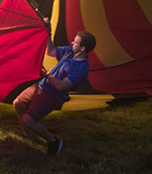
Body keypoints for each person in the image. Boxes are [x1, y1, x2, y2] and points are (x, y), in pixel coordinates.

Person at [13, 19, 96, 156]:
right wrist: (48, 32)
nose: (71, 43)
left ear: (82, 48)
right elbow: (50, 51)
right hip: (41, 86)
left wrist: (47, 76)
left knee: (28, 119)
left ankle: (53, 141)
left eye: (75, 42)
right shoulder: (70, 51)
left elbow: (62, 86)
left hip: (52, 95)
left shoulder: (81, 69)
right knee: (17, 103)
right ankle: (27, 134)